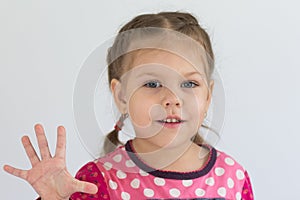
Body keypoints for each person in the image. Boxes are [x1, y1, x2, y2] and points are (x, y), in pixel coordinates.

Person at [3, 11, 254, 200]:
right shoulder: (100, 181)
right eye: (153, 84)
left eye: (189, 84)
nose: (173, 99)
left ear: (208, 96)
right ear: (121, 95)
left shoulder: (233, 176)